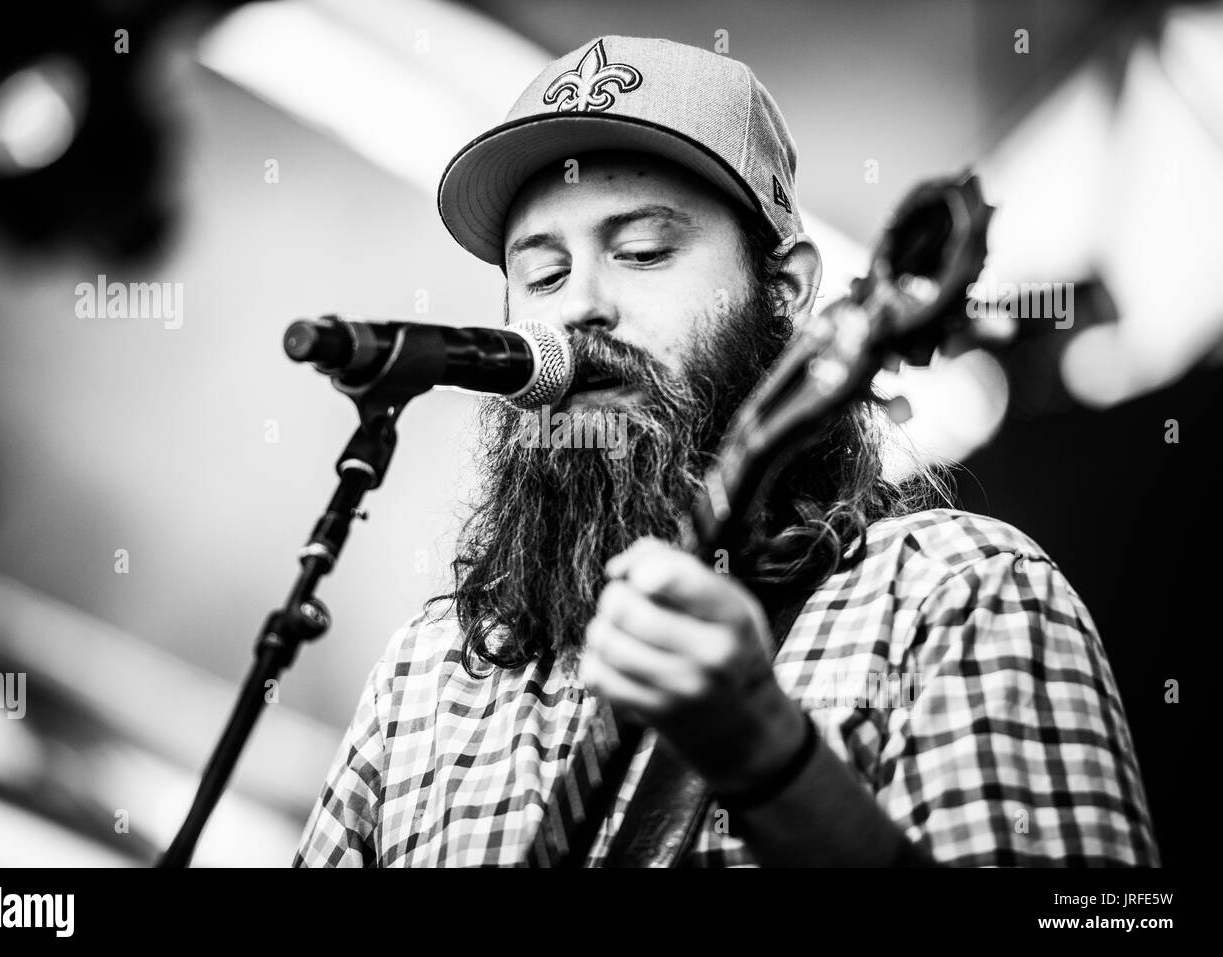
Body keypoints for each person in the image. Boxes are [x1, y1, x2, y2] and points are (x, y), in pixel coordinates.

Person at [294, 35, 1158, 867]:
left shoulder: (958, 594)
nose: (578, 308)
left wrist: (777, 763)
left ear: (783, 291)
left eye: (642, 251)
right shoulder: (422, 680)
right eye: (544, 275)